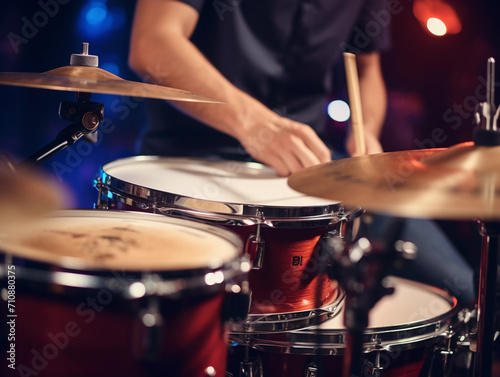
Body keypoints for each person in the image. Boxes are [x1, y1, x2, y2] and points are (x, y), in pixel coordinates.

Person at [128, 0, 475, 305]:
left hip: (312, 162)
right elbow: (153, 42)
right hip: (190, 157)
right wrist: (256, 126)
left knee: (461, 290)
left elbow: (368, 70)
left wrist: (365, 130)